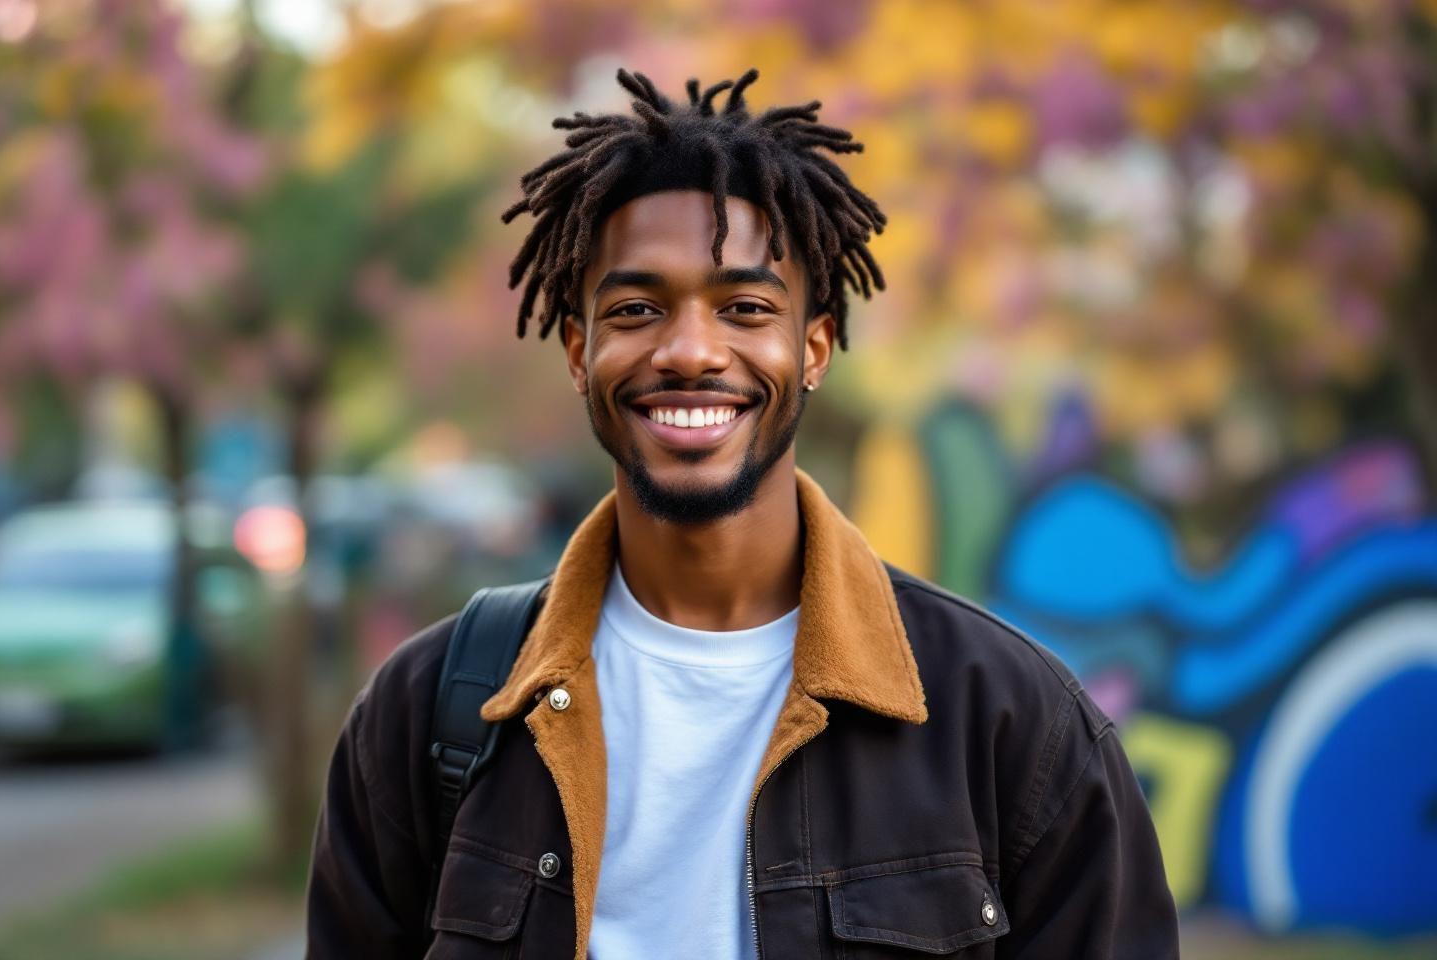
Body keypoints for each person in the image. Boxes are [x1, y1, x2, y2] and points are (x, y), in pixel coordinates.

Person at [306, 68, 1180, 960]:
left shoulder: (1010, 724)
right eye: (638, 309)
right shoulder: (426, 719)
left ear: (812, 348)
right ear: (580, 351)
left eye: (746, 308)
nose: (690, 351)